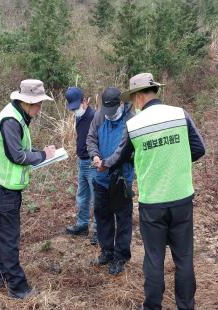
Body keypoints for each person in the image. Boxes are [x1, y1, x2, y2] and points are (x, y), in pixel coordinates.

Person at [100, 73, 205, 309]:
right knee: (184, 258)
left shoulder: (134, 125)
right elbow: (199, 148)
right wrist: (176, 162)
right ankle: (186, 306)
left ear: (138, 97)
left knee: (154, 259)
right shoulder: (180, 114)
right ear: (154, 91)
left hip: (152, 204)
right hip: (181, 199)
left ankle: (152, 306)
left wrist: (104, 163)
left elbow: (119, 158)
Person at [0, 79, 56, 299]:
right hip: (2, 188)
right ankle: (18, 287)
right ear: (26, 101)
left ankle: (2, 275)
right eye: (38, 103)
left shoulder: (17, 116)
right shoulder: (11, 120)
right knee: (9, 239)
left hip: (6, 187)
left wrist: (40, 152)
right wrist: (42, 156)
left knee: (7, 236)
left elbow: (20, 149)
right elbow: (16, 155)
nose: (40, 107)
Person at [87, 87, 135, 275]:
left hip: (121, 177)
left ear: (121, 104)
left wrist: (106, 163)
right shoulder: (99, 116)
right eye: (105, 110)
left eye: (112, 111)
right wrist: (95, 156)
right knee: (102, 214)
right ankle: (107, 250)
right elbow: (90, 139)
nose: (108, 115)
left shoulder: (130, 120)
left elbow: (123, 150)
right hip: (101, 178)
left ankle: (121, 256)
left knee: (123, 218)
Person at [64, 86, 98, 245]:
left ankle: (99, 230)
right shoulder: (79, 116)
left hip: (92, 163)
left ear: (85, 101)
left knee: (96, 198)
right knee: (82, 195)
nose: (75, 111)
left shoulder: (94, 116)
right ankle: (82, 224)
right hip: (81, 161)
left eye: (77, 107)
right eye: (72, 108)